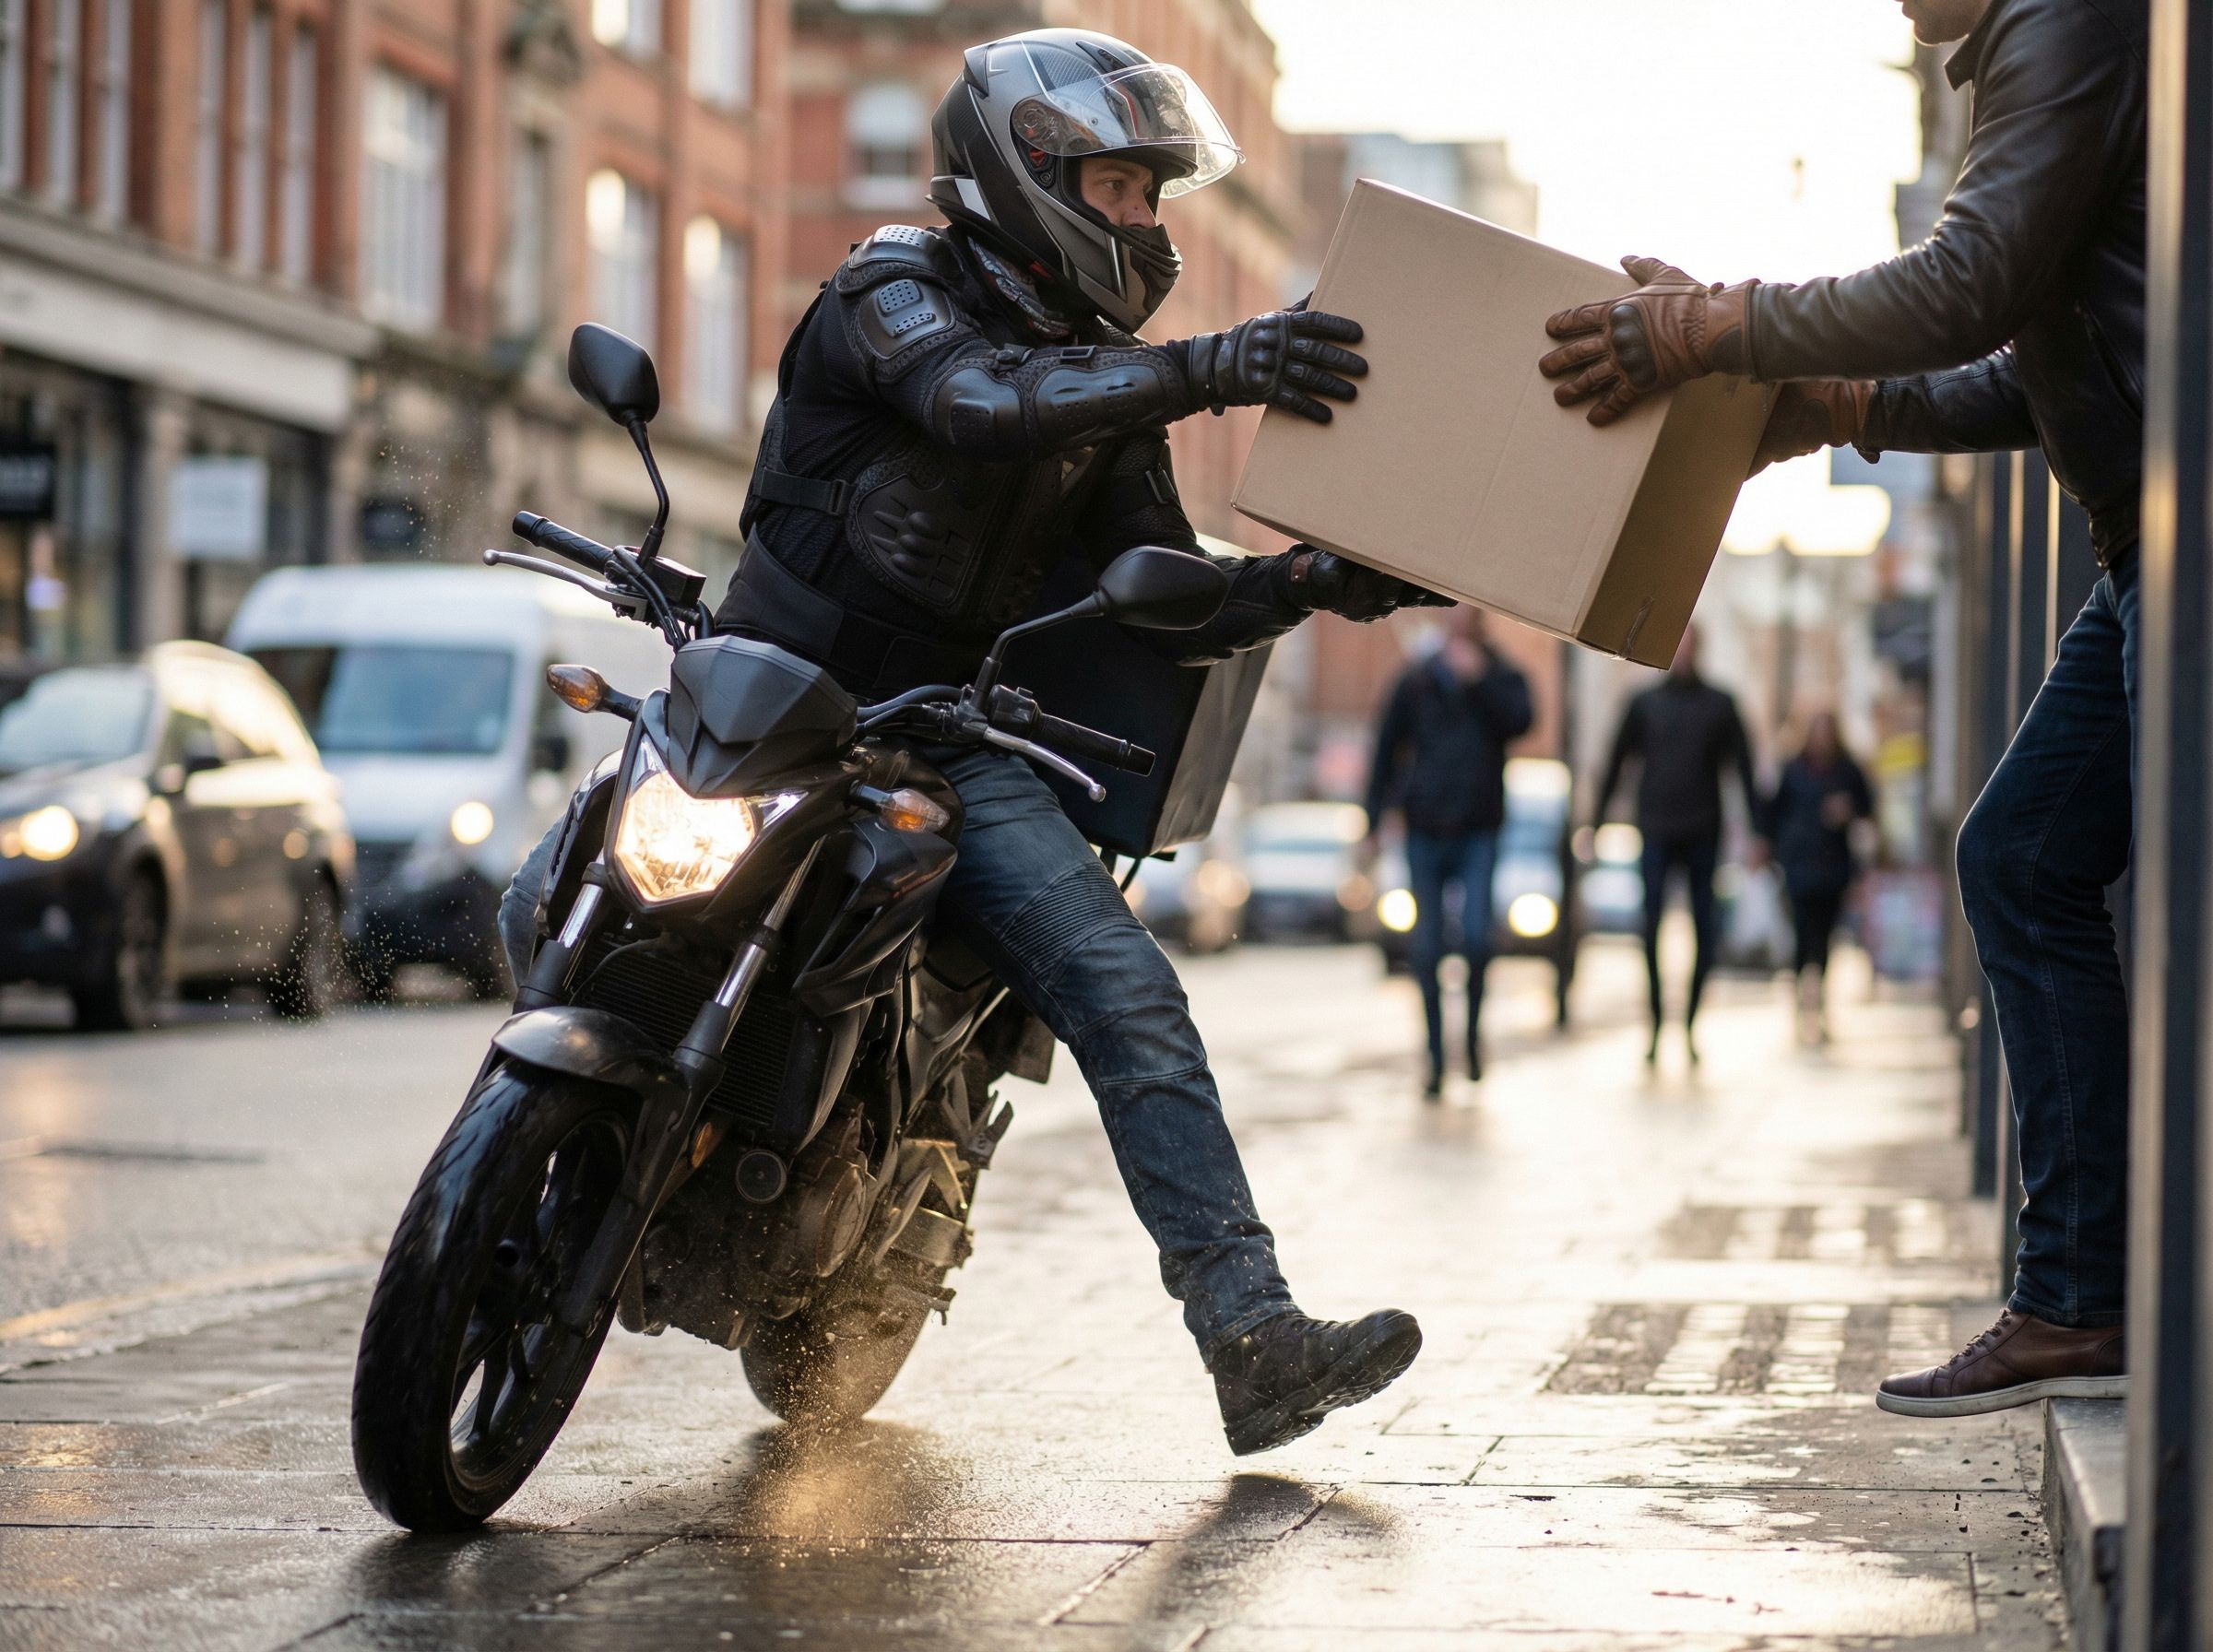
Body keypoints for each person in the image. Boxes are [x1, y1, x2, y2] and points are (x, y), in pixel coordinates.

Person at [501, 29, 1449, 1456]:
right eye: (1121, 188)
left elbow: (1158, 596)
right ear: (1028, 170)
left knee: (1129, 993)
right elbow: (976, 406)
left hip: (945, 734)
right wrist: (1213, 370)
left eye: (1151, 195)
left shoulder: (1116, 382)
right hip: (766, 687)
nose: (1145, 221)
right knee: (566, 874)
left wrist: (1306, 584)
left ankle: (1252, 1335)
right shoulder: (892, 288)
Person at [1537, 0, 2139, 1413]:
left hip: (2178, 537)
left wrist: (1716, 329)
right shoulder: (2037, 48)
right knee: (2017, 860)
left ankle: (2086, 1295)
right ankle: (2082, 1299)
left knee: (2025, 863)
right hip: (2139, 550)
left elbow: (1968, 285)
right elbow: (2027, 372)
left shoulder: (2070, 22)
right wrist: (1842, 403)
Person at [1363, 608, 1534, 1096]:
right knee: (1426, 948)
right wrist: (1373, 821)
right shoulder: (1417, 678)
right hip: (1425, 828)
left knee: (1479, 940)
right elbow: (1386, 750)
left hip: (1479, 828)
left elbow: (1522, 721)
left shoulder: (1501, 675)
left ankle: (1473, 1038)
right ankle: (1436, 1057)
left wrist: (1478, 681)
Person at [1593, 627, 1757, 1068]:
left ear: (1700, 650)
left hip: (1704, 831)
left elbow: (1743, 769)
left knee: (1705, 932)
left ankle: (1688, 1027)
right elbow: (1617, 762)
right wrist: (1596, 822)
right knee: (1650, 930)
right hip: (1656, 831)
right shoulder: (1645, 704)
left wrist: (1760, 833)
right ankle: (1653, 1023)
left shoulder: (1720, 705)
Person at [1761, 711, 1874, 1045]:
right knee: (1801, 937)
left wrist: (1848, 809)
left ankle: (1819, 1004)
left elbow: (1867, 806)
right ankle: (1800, 1002)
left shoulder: (1848, 771)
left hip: (1833, 869)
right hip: (1798, 866)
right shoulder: (1793, 770)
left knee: (1824, 939)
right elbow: (1773, 810)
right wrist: (1771, 847)